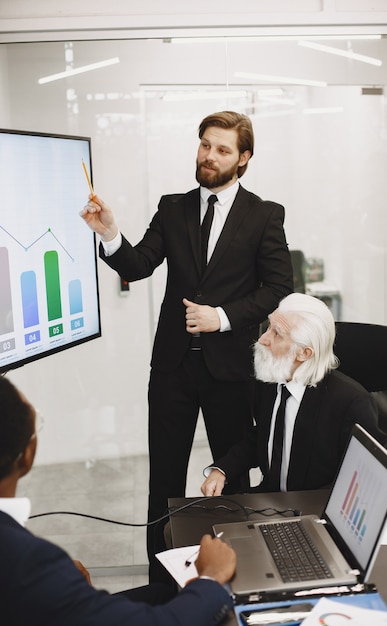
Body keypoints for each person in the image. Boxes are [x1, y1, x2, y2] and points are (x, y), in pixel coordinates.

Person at [80, 110, 293, 581]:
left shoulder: (263, 214)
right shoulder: (172, 206)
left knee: (232, 483)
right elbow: (138, 265)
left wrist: (222, 318)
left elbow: (279, 287)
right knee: (165, 485)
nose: (209, 156)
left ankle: (240, 580)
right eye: (204, 145)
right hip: (173, 368)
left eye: (221, 149)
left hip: (232, 370)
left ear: (243, 159)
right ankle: (162, 589)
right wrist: (111, 233)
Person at [0, 375, 236, 626]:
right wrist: (211, 577)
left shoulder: (31, 564)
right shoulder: (30, 563)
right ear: (27, 455)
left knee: (161, 593)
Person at [201, 293, 386, 497]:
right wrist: (222, 470)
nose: (263, 339)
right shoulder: (270, 380)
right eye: (268, 327)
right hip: (270, 503)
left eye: (277, 334)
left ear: (304, 353)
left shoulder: (351, 403)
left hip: (316, 509)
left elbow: (361, 479)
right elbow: (264, 436)